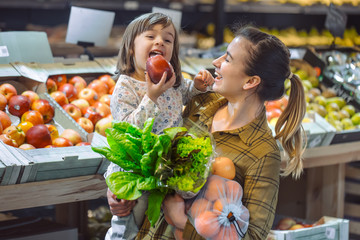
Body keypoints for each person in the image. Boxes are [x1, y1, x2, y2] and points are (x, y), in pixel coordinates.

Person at [135, 26, 307, 240]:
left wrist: (183, 223)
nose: (216, 62)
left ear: (251, 81)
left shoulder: (263, 153)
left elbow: (253, 236)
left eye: (228, 59)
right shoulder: (201, 104)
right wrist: (125, 197)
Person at [105, 12, 214, 240]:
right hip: (137, 172)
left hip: (165, 171)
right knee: (130, 224)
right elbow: (126, 131)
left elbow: (184, 96)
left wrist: (197, 87)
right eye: (150, 36)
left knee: (158, 227)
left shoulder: (173, 80)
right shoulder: (127, 86)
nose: (160, 42)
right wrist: (151, 97)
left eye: (167, 39)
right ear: (131, 48)